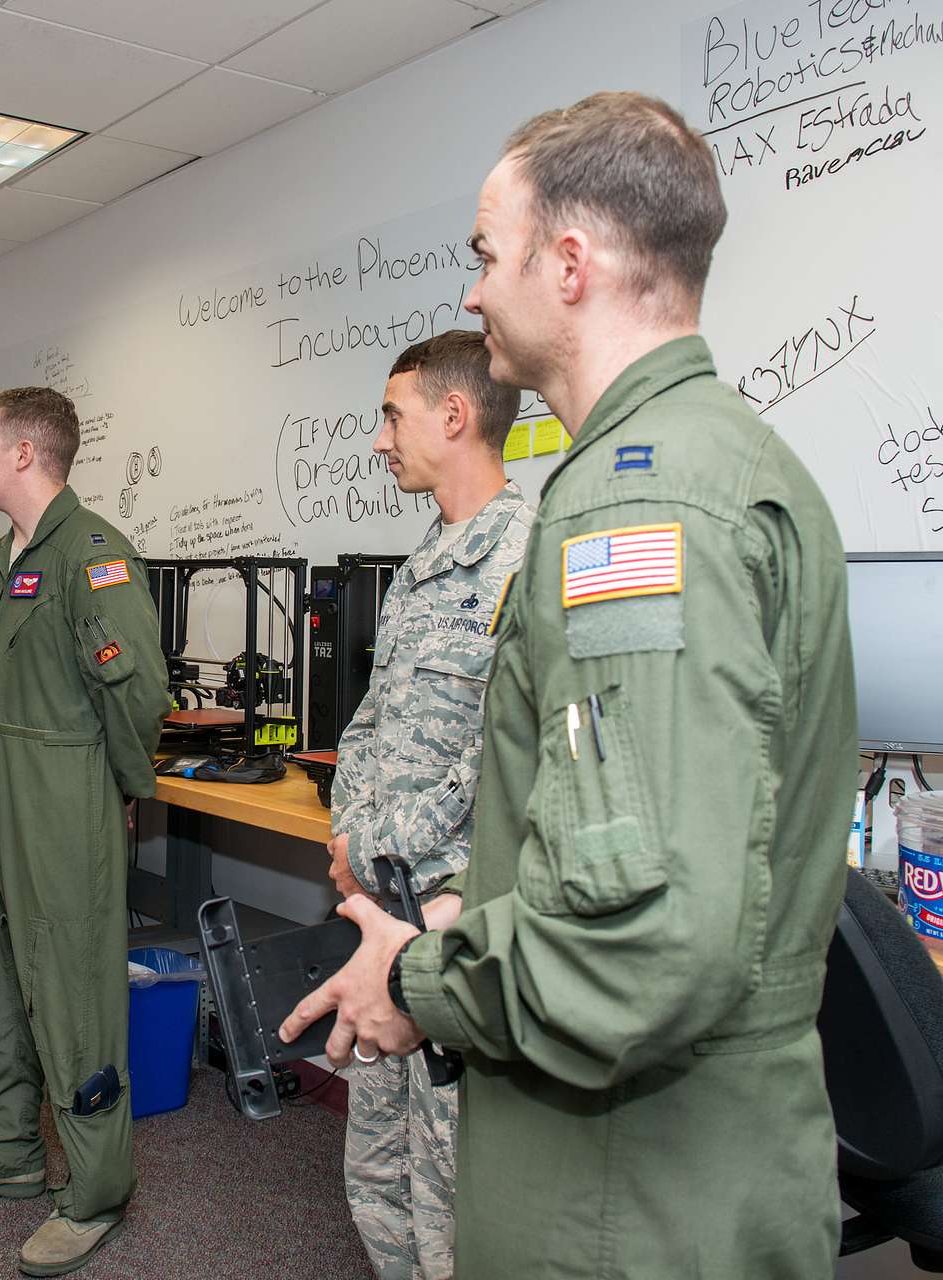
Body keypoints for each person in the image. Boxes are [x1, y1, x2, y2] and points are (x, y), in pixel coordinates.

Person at [281, 91, 857, 1278]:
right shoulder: (713, 459)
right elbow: (585, 849)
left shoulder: (635, 506)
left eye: (488, 255)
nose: (474, 291)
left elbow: (644, 943)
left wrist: (422, 976)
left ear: (572, 263)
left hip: (623, 1197)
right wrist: (448, 919)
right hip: (657, 1170)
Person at [0, 387, 169, 1278]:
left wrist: (119, 790)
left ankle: (95, 1192)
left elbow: (138, 693)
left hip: (60, 805)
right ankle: (3, 1153)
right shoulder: (2, 557)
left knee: (71, 996)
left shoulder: (92, 554)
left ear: (25, 454)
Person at [329, 330, 530, 1280]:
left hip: (456, 921)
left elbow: (510, 758)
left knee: (454, 1190)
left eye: (392, 414)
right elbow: (368, 723)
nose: (380, 439)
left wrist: (383, 844)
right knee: (378, 1173)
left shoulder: (523, 558)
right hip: (383, 912)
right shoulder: (424, 562)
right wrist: (346, 836)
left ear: (455, 417)